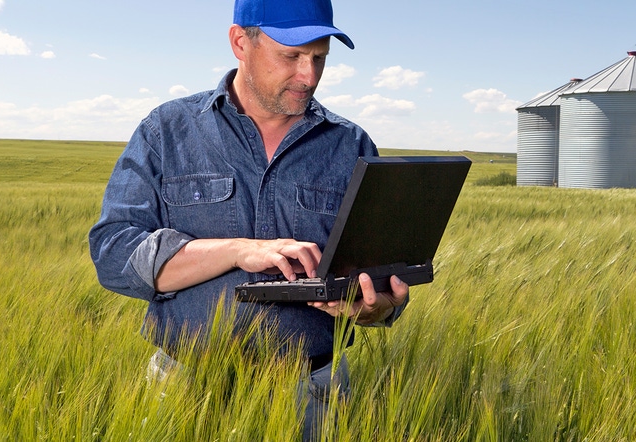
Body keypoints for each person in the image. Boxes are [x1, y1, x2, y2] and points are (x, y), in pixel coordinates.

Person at [88, 0, 409, 438]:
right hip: (183, 389)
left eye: (319, 58)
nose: (308, 76)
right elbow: (112, 253)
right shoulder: (167, 131)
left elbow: (381, 277)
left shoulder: (350, 145)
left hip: (312, 395)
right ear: (241, 41)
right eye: (291, 56)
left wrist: (376, 308)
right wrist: (238, 251)